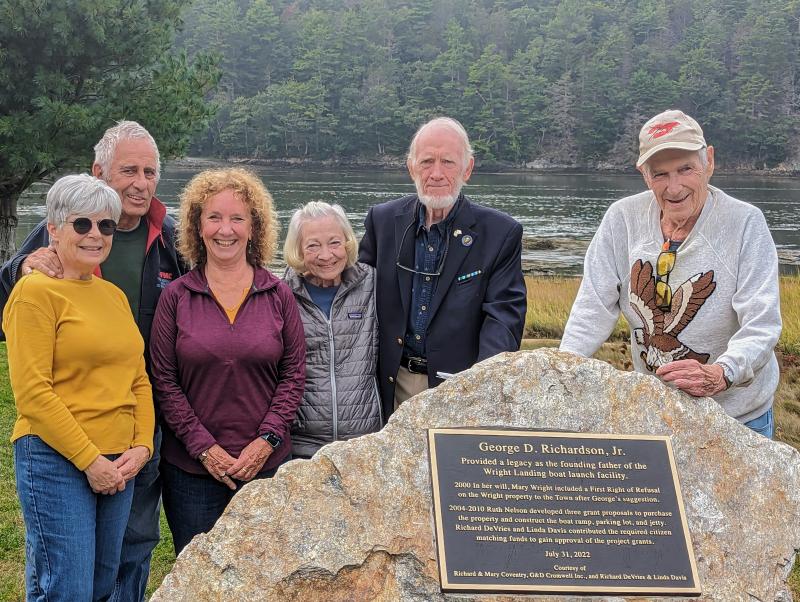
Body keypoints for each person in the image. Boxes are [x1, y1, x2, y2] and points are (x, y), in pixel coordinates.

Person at [0, 121, 182, 600]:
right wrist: (22, 267)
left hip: (130, 437)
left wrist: (142, 444)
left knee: (128, 553)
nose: (141, 182)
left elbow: (140, 372)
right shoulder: (46, 260)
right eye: (129, 170)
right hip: (61, 447)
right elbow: (32, 386)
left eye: (150, 171)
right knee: (66, 580)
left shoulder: (169, 240)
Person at [560, 109, 781, 438]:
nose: (674, 187)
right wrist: (562, 367)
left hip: (739, 417)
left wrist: (722, 373)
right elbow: (594, 305)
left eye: (685, 169)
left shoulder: (745, 223)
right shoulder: (622, 219)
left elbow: (761, 323)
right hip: (660, 415)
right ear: (644, 175)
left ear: (709, 161)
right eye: (660, 174)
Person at [149, 167, 305, 554]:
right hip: (191, 472)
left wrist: (266, 442)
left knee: (267, 572)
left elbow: (293, 375)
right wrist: (203, 447)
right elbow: (164, 380)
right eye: (214, 217)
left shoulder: (278, 294)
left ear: (254, 228)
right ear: (197, 226)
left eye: (237, 218)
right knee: (199, 572)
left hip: (266, 466)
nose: (226, 229)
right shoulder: (178, 297)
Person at [359, 116, 527, 419]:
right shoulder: (382, 221)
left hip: (459, 389)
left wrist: (479, 385)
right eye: (426, 162)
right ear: (411, 168)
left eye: (448, 162)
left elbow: (503, 319)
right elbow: (355, 294)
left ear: (468, 169)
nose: (436, 173)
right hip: (388, 386)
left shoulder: (501, 233)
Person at [283, 201, 381, 458]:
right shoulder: (281, 294)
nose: (326, 255)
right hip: (301, 444)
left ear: (348, 242)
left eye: (335, 242)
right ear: (299, 251)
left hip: (364, 442)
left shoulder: (372, 283)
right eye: (313, 245)